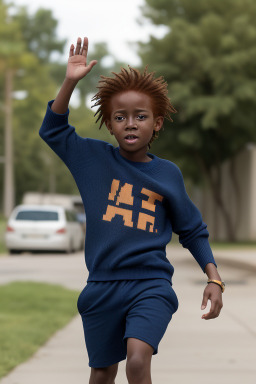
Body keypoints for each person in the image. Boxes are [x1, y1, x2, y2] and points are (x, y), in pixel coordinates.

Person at [39, 36, 224, 384]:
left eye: (141, 116)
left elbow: (192, 229)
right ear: (109, 124)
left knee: (138, 362)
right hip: (101, 286)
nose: (131, 123)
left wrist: (214, 277)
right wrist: (70, 81)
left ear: (157, 123)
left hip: (150, 284)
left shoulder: (167, 174)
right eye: (120, 117)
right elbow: (53, 129)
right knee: (102, 373)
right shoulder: (91, 160)